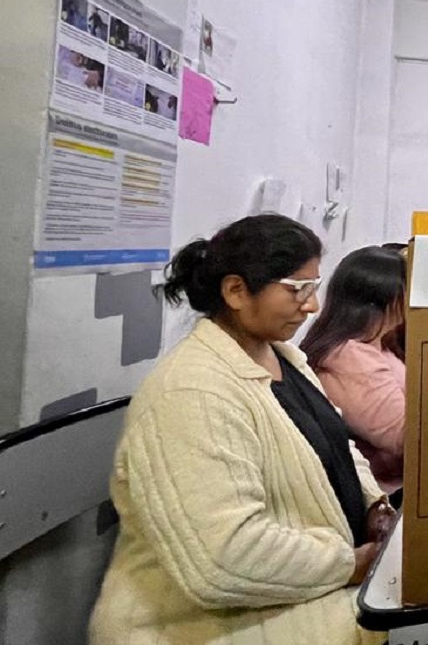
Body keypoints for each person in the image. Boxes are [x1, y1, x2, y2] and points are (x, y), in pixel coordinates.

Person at [90, 214, 393, 645]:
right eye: (297, 290)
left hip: (305, 589)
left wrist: (374, 508)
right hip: (199, 626)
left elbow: (337, 445)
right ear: (235, 291)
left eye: (314, 286)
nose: (313, 305)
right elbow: (225, 557)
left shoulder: (285, 359)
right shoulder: (192, 392)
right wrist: (353, 564)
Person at [301, 246, 408, 507]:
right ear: (387, 297)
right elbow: (404, 436)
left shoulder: (379, 343)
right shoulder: (349, 356)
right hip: (377, 498)